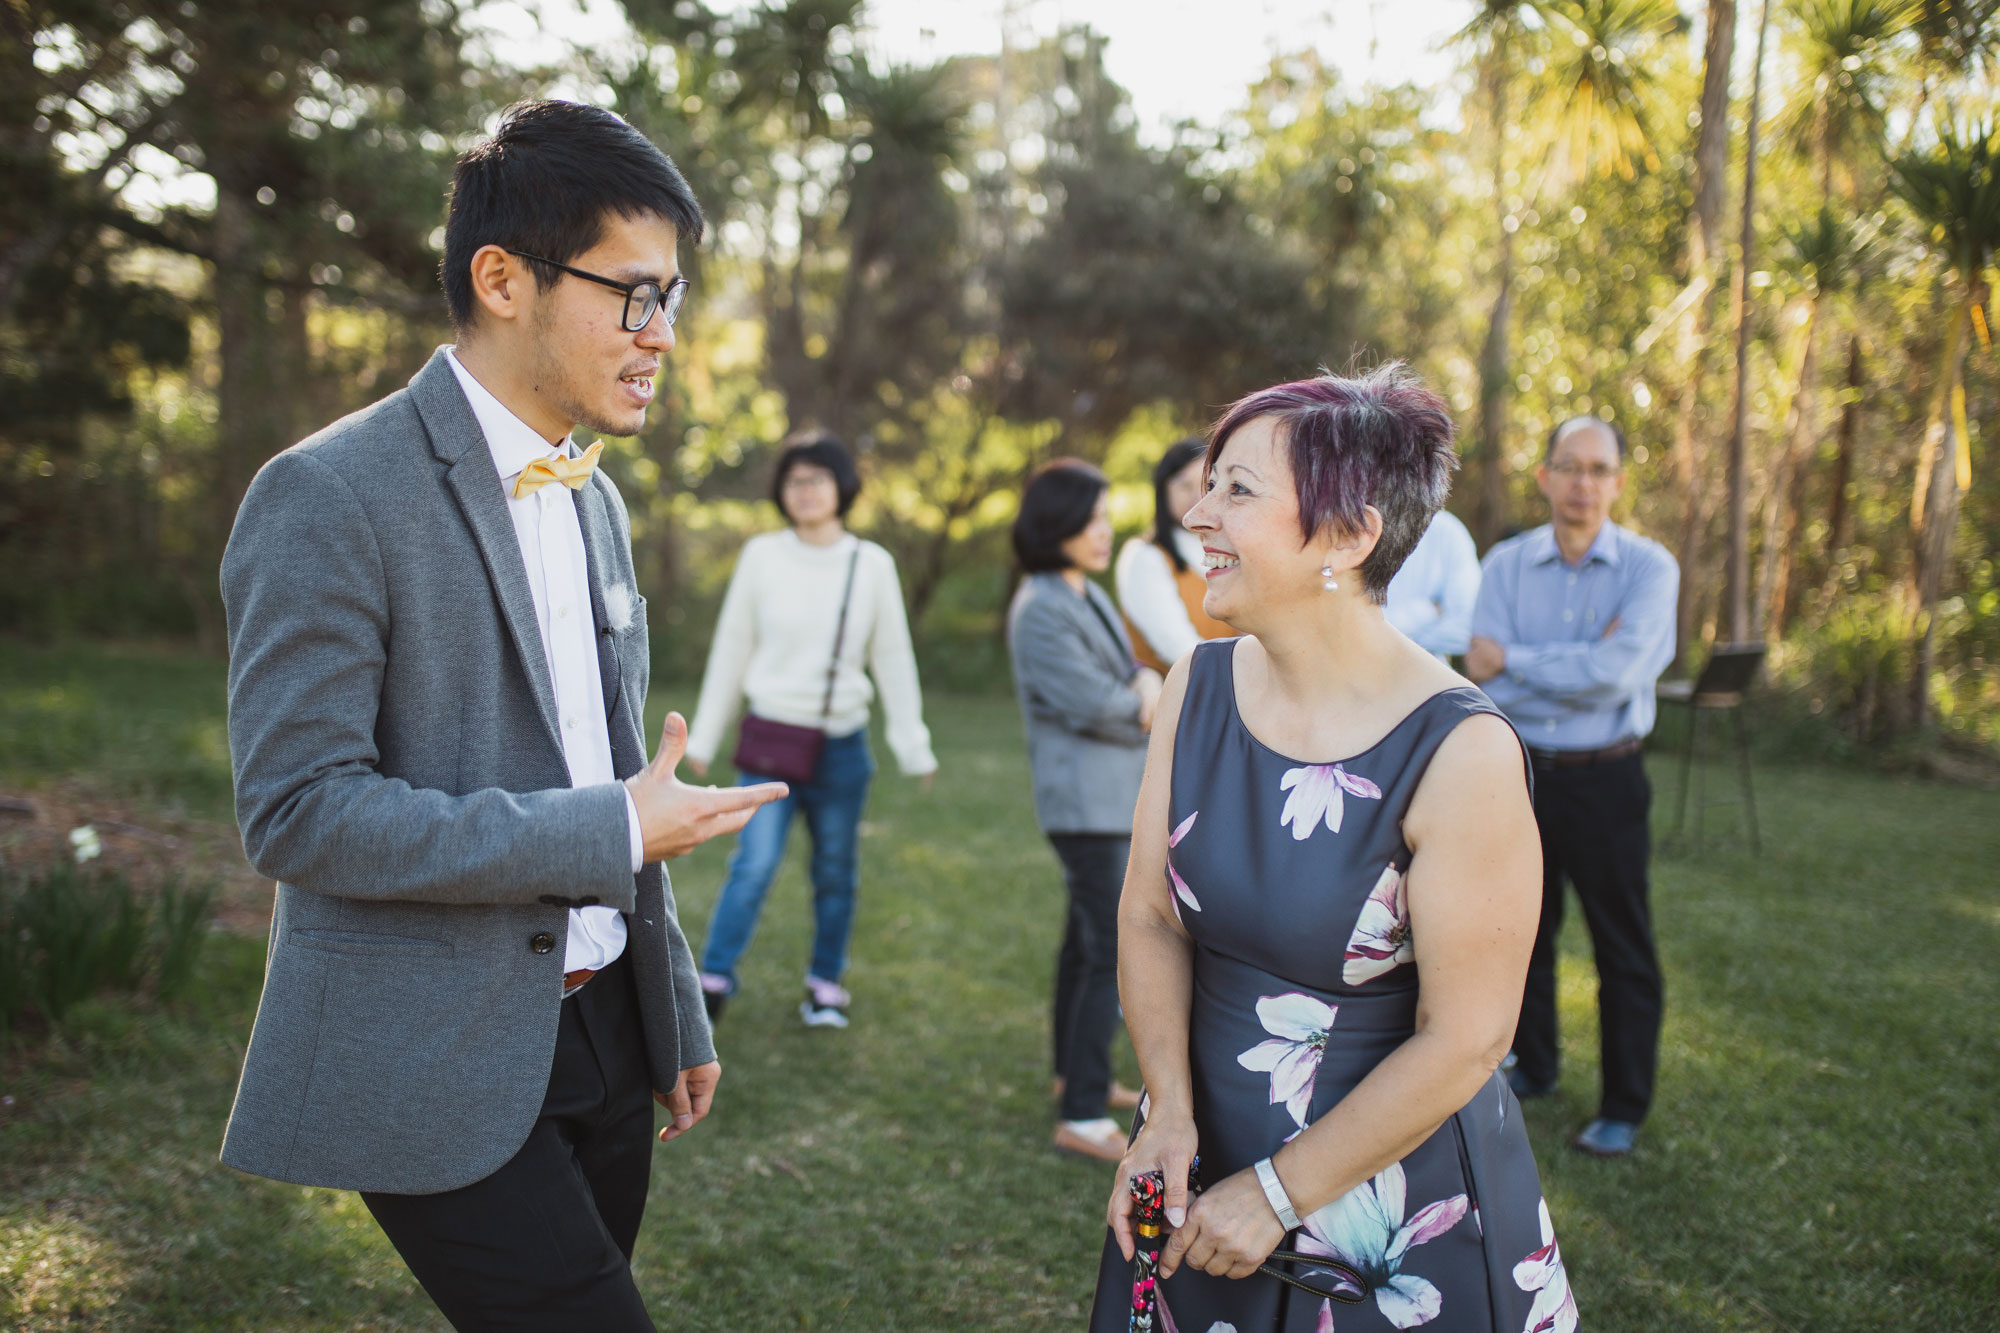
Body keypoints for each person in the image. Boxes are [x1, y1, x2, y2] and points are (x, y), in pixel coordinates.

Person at [217, 101, 789, 1331]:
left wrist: (670, 1005)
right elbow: (298, 813)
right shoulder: (322, 494)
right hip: (427, 1047)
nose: (662, 335)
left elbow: (619, 766)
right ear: (503, 279)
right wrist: (603, 833)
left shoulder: (599, 502)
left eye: (672, 299)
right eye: (634, 296)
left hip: (607, 1041)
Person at [1091, 365, 1568, 1332]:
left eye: (1238, 489)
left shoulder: (1461, 751)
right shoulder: (1197, 682)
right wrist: (1167, 1114)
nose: (1196, 515)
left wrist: (1276, 1192)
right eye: (1208, 481)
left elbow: (1469, 1036)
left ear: (1350, 536)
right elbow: (1147, 911)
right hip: (1194, 1153)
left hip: (1386, 1205)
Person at [1465, 414, 1678, 1160]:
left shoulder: (1651, 570)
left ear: (1617, 483)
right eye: (1570, 467)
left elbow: (1614, 675)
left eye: (1598, 469)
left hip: (1607, 778)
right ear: (1545, 477)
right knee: (1523, 935)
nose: (1583, 483)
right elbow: (1479, 672)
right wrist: (1575, 662)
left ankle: (1624, 1102)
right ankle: (1538, 1063)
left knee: (1622, 945)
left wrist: (1518, 660)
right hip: (1521, 774)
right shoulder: (1504, 565)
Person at [683, 431, 938, 1029]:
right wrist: (703, 737)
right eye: (794, 481)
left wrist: (912, 743)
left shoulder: (870, 565)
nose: (805, 491)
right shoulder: (762, 556)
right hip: (771, 741)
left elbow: (893, 658)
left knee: (834, 871)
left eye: (817, 479)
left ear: (842, 487)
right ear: (781, 491)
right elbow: (732, 648)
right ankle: (713, 978)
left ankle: (825, 985)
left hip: (842, 746)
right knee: (754, 863)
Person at [1008, 459, 1164, 1162]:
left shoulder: (1083, 592)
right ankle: (1080, 1114)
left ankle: (1077, 1077)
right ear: (1055, 524)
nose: (1104, 532)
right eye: (1090, 518)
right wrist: (1143, 693)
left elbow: (1129, 669)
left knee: (1083, 946)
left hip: (1111, 798)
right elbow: (1099, 705)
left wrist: (1141, 681)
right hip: (1084, 806)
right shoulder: (1040, 606)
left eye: (1106, 518)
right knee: (1112, 951)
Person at [1117, 437, 1235, 672]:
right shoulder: (1145, 557)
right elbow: (1179, 649)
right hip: (1179, 695)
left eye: (1207, 484)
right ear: (1164, 491)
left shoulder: (1229, 549)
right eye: (1184, 486)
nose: (1199, 496)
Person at [1382, 507, 1481, 661]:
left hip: (1426, 677)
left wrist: (1383, 634)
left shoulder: (1448, 532)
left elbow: (1465, 628)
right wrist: (1428, 610)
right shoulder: (1349, 525)